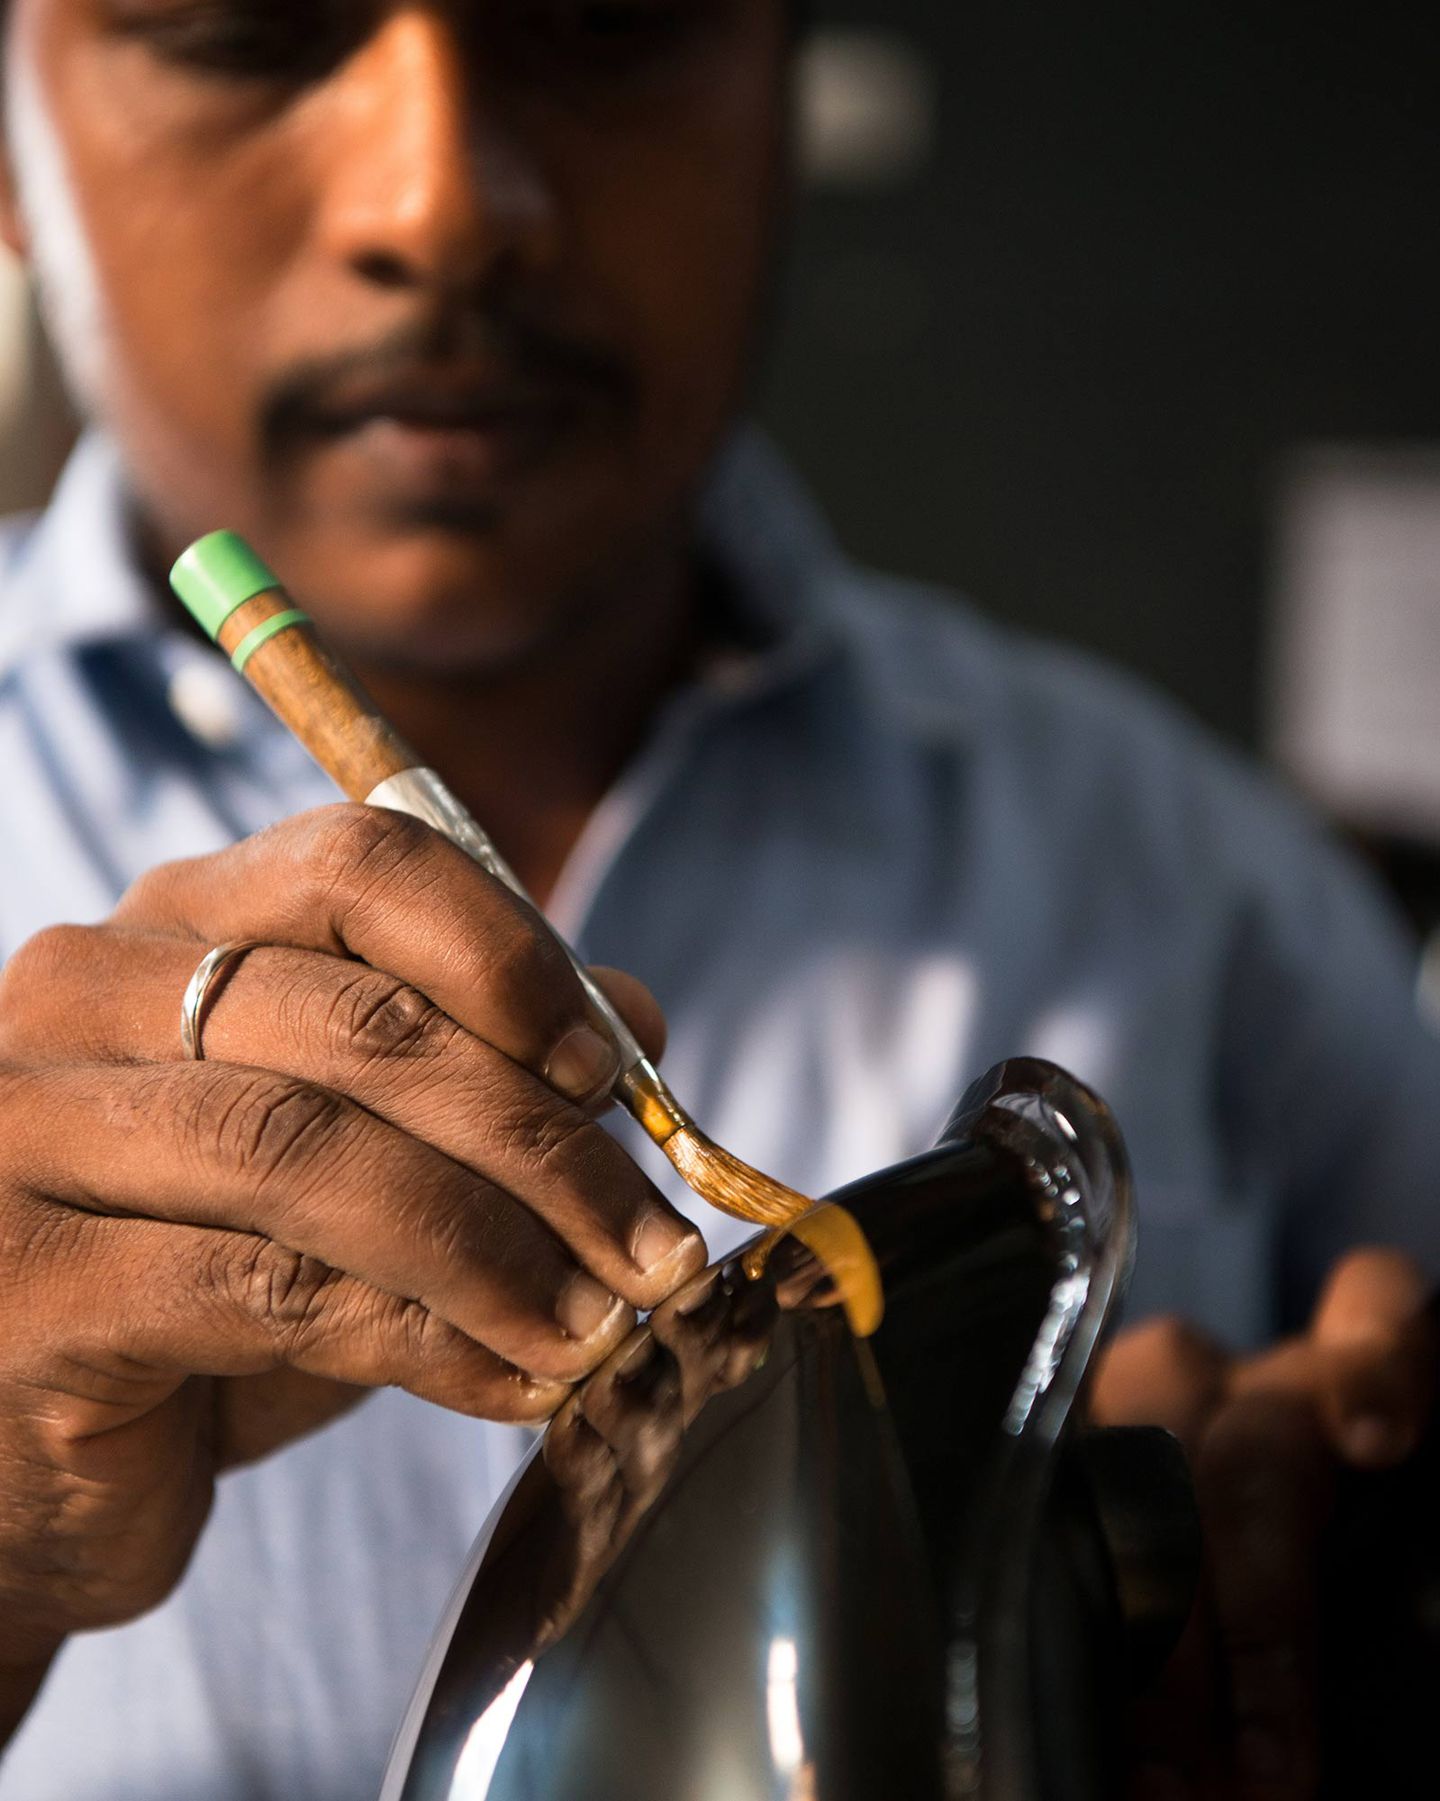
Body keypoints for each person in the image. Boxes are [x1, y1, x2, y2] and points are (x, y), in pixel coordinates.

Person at [0, 1, 1432, 1796]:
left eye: (612, 26)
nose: (442, 203)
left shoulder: (1210, 894)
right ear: (11, 148)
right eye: (239, 38)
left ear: (782, 83)